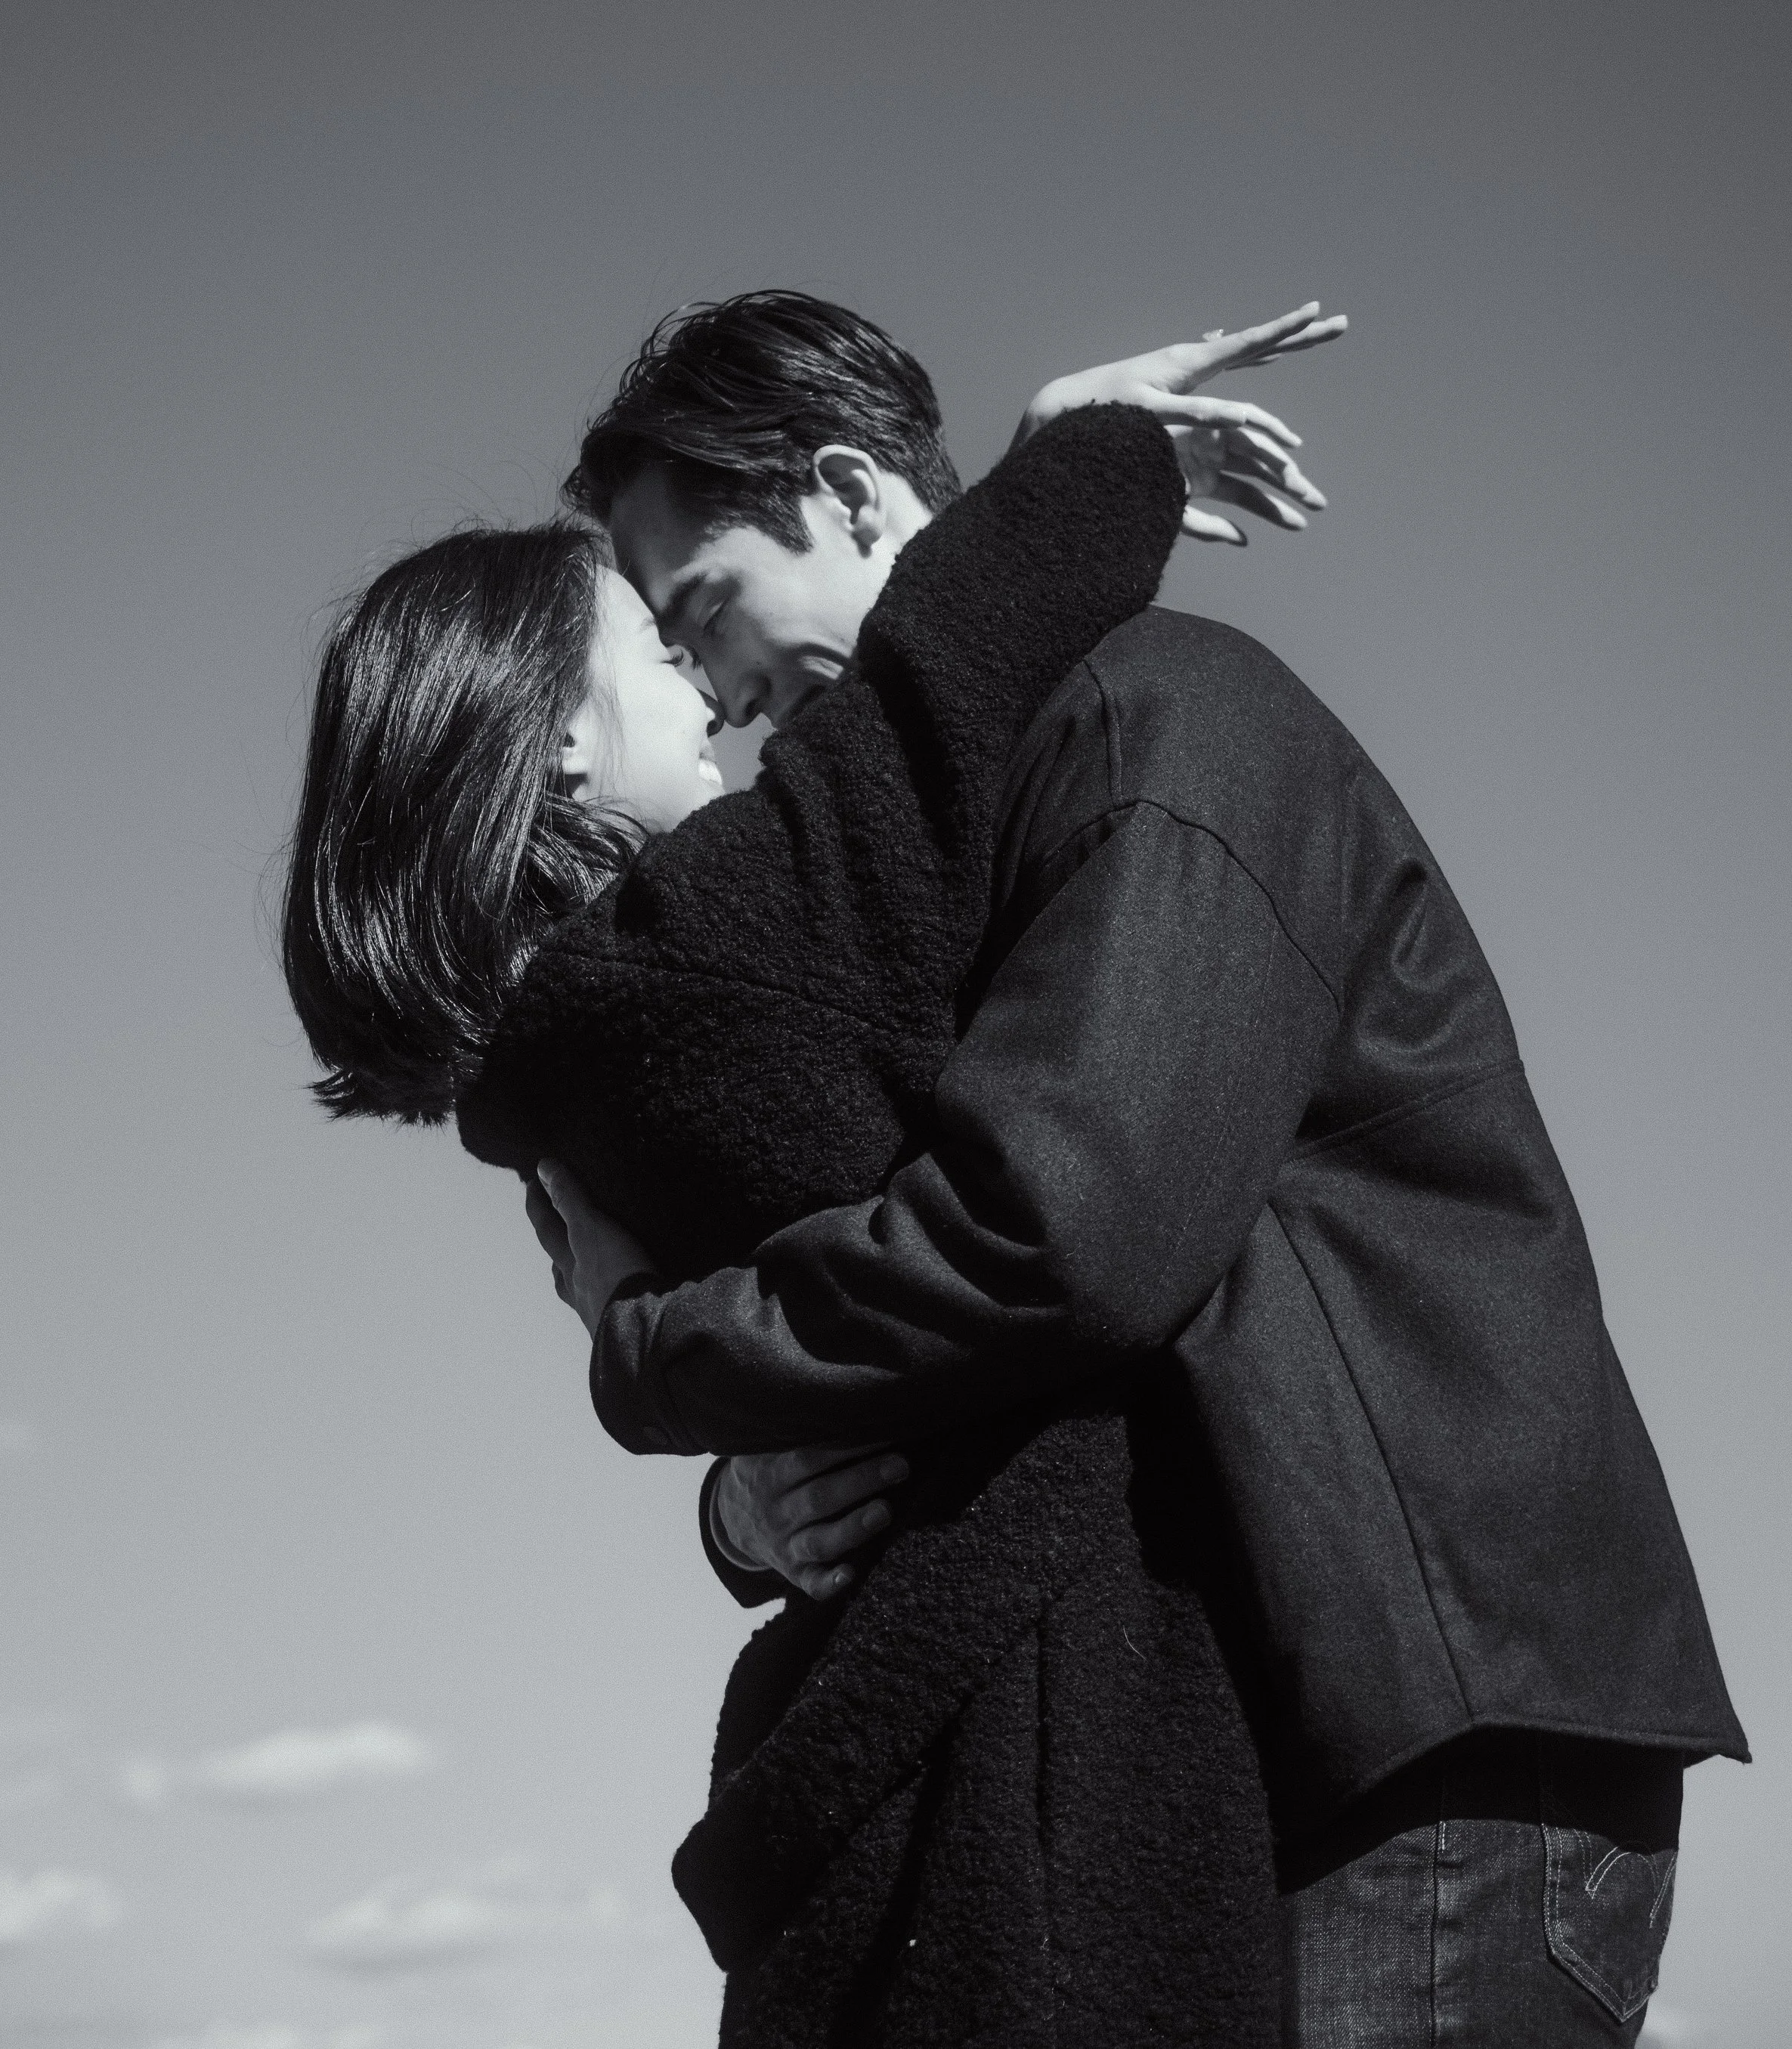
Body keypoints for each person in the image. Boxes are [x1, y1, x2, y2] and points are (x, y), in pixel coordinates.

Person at [535, 289, 1748, 2049]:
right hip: (1315, 1715)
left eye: (705, 607)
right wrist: (744, 1502)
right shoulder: (996, 806)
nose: (716, 697)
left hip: (1432, 1735)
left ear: (852, 495)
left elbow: (1055, 1238)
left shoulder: (1153, 721)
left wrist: (653, 1355)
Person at [282, 316, 1327, 2045]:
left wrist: (691, 1444)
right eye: (656, 639)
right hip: (1025, 1758)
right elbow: (924, 715)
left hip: (869, 1762)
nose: (707, 689)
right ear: (547, 741)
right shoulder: (713, 957)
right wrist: (1077, 457)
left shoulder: (558, 1094)